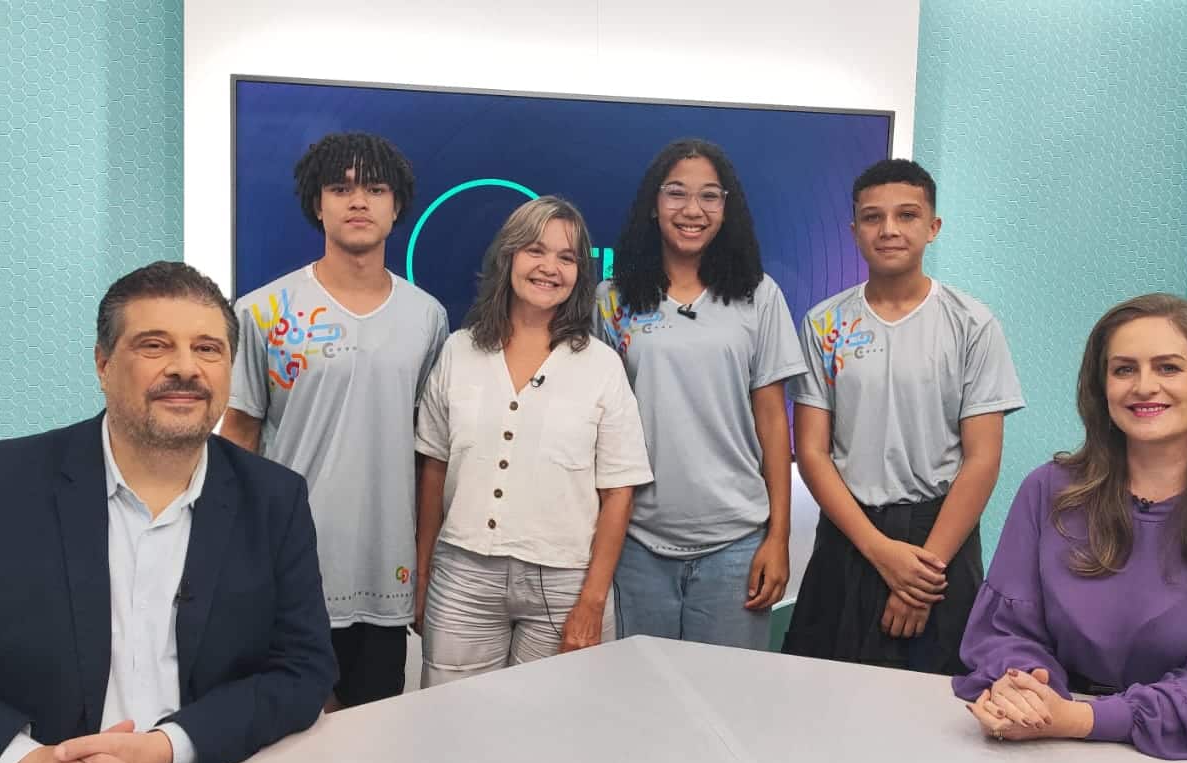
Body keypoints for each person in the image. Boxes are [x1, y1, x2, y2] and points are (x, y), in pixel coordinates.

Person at [0, 262, 335, 763]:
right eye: (155, 345)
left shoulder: (274, 499)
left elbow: (302, 670)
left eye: (208, 349)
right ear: (103, 365)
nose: (185, 368)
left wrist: (166, 749)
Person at [952, 293, 1187, 759]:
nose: (1144, 386)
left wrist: (1078, 718)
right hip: (1046, 748)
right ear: (1102, 389)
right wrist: (1024, 693)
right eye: (1124, 369)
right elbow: (1005, 634)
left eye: (1168, 367)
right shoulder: (1046, 491)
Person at [221, 132, 448, 708]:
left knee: (375, 741)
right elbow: (240, 437)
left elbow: (430, 457)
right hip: (291, 568)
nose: (358, 202)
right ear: (316, 203)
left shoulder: (428, 317)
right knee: (290, 744)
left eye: (375, 189)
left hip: (385, 571)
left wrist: (422, 567)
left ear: (397, 207)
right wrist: (234, 556)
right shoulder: (261, 311)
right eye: (340, 188)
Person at [783, 159, 1024, 673]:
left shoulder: (971, 323)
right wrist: (878, 550)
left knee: (937, 713)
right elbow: (810, 450)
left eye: (907, 215)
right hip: (851, 536)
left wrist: (920, 578)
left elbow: (982, 459)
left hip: (939, 540)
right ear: (853, 231)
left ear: (932, 226)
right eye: (872, 218)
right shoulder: (824, 324)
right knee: (820, 702)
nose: (888, 229)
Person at [415, 197, 651, 684]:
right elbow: (433, 468)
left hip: (564, 582)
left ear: (580, 274)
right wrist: (422, 575)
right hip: (463, 576)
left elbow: (618, 491)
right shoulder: (459, 351)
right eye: (535, 251)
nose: (550, 268)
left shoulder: (602, 366)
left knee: (552, 736)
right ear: (508, 258)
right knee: (450, 727)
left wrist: (592, 600)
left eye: (567, 258)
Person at [595, 138, 805, 650]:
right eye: (676, 194)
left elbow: (774, 421)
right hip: (637, 539)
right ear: (653, 204)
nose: (693, 210)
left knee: (727, 705)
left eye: (710, 196)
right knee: (643, 702)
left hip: (736, 542)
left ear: (726, 208)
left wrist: (779, 537)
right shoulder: (611, 300)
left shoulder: (760, 294)